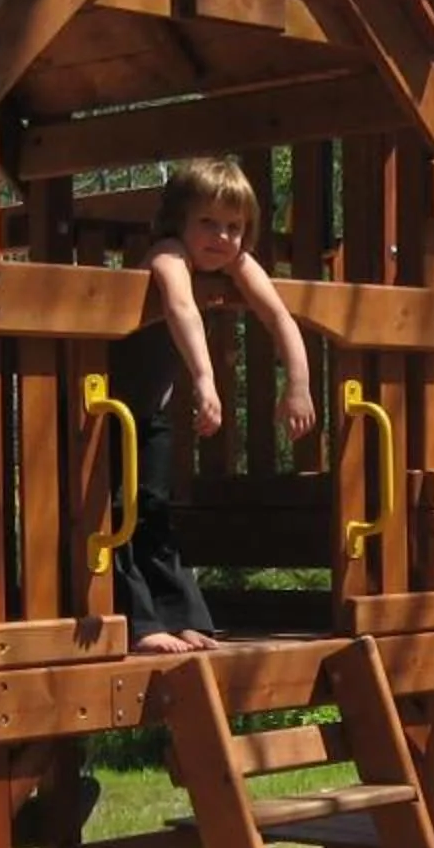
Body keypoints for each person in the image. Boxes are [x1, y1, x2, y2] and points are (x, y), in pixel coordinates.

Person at [110, 159, 319, 655]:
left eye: (234, 227)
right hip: (104, 410)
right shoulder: (167, 254)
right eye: (208, 222)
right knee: (119, 513)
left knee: (155, 512)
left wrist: (299, 384)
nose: (222, 237)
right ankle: (137, 625)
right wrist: (205, 379)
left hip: (148, 412)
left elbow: (280, 318)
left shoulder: (236, 262)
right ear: (178, 220)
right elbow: (181, 308)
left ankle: (182, 616)